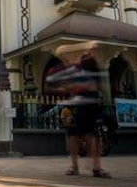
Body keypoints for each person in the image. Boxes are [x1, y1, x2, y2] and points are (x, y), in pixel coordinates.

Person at [47, 41, 111, 178]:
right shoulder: (71, 68)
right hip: (74, 104)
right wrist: (68, 87)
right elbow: (53, 81)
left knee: (91, 135)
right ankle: (75, 166)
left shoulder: (91, 67)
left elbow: (97, 85)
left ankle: (96, 167)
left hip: (89, 104)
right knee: (73, 135)